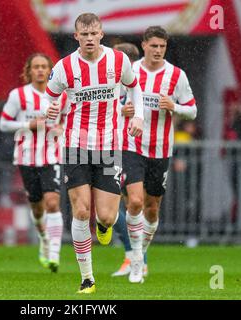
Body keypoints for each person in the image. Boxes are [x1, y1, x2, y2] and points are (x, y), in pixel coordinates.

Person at [45, 13, 144, 293]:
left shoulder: (118, 60)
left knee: (106, 217)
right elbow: (49, 97)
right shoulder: (65, 67)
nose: (89, 39)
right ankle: (87, 278)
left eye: (94, 34)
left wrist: (137, 117)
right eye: (83, 34)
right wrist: (49, 109)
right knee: (80, 210)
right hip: (76, 145)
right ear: (76, 36)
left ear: (101, 34)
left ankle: (104, 226)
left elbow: (134, 88)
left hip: (110, 147)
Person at [120, 26, 197, 284]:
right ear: (143, 45)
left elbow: (193, 110)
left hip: (161, 149)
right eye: (153, 46)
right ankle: (135, 261)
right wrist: (124, 109)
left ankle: (140, 255)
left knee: (152, 209)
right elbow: (115, 101)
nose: (157, 51)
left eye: (162, 47)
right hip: (133, 145)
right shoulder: (131, 72)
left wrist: (174, 106)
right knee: (135, 202)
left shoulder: (177, 75)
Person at [0, 53, 64, 273]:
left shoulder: (60, 95)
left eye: (44, 67)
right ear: (29, 70)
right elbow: (3, 124)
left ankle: (54, 252)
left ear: (50, 71)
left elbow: (68, 121)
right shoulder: (18, 95)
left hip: (52, 156)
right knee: (37, 208)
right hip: (26, 157)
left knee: (53, 203)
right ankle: (44, 237)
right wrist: (29, 125)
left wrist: (62, 130)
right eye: (36, 67)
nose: (40, 71)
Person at [111, 42, 148, 278]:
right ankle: (133, 256)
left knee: (134, 203)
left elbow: (147, 109)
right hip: (104, 147)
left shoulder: (138, 83)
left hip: (130, 149)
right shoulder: (107, 82)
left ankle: (138, 259)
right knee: (109, 209)